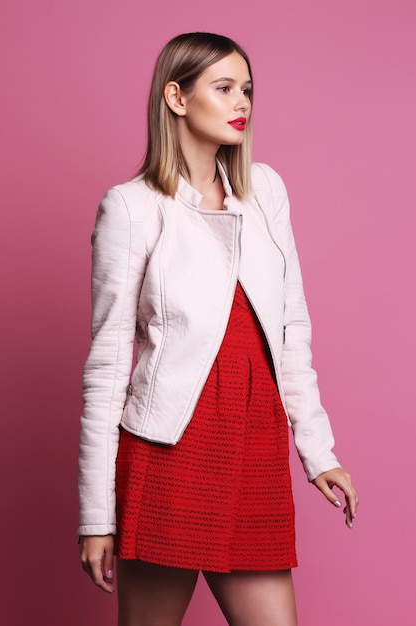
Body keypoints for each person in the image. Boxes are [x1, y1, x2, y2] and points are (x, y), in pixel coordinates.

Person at [78, 32, 358, 626]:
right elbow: (105, 369)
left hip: (256, 443)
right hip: (169, 450)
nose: (243, 104)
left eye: (248, 90)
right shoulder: (131, 207)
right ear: (176, 97)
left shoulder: (266, 193)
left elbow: (290, 330)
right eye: (224, 88)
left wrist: (319, 451)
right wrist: (95, 516)